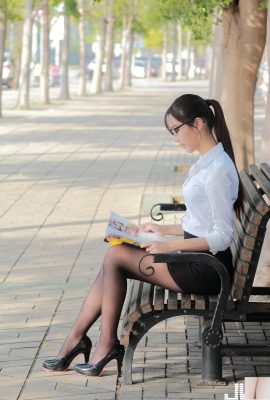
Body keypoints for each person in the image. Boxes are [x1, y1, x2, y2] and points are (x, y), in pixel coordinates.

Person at [43, 94, 242, 377]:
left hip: (207, 269)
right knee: (115, 254)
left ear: (197, 123)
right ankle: (81, 341)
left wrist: (170, 246)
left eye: (176, 130)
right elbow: (202, 223)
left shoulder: (218, 170)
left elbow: (221, 236)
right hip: (196, 258)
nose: (174, 138)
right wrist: (163, 230)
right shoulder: (207, 163)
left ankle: (98, 343)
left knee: (115, 257)